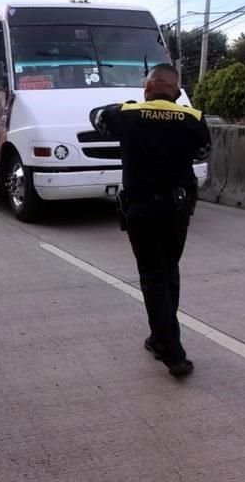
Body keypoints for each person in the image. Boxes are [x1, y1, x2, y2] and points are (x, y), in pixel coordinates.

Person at [89, 64, 211, 378]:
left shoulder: (127, 114)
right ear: (177, 89)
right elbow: (201, 152)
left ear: (147, 88)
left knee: (153, 276)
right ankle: (160, 338)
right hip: (177, 209)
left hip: (142, 210)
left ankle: (173, 353)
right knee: (169, 271)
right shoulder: (193, 118)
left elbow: (96, 118)